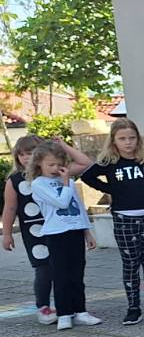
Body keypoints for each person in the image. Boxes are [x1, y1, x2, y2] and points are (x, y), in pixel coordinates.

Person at [79, 117, 144, 325]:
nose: (128, 142)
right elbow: (87, 177)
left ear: (138, 139)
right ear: (114, 140)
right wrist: (110, 189)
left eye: (132, 138)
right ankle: (133, 307)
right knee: (131, 263)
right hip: (124, 219)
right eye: (122, 139)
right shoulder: (109, 162)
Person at [2, 136, 93, 324]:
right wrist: (7, 233)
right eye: (21, 154)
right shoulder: (16, 180)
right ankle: (43, 306)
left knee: (69, 269)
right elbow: (10, 208)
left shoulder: (58, 173)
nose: (26, 157)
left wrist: (63, 146)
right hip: (34, 230)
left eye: (31, 153)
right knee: (44, 269)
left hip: (63, 226)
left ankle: (73, 308)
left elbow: (85, 163)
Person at [27, 141, 102, 330]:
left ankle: (81, 311)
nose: (55, 169)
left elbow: (79, 208)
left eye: (58, 164)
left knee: (77, 273)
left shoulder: (67, 180)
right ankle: (64, 313)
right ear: (39, 164)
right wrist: (67, 181)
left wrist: (87, 232)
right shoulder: (38, 184)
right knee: (60, 275)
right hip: (56, 233)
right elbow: (61, 202)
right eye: (50, 164)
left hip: (75, 231)